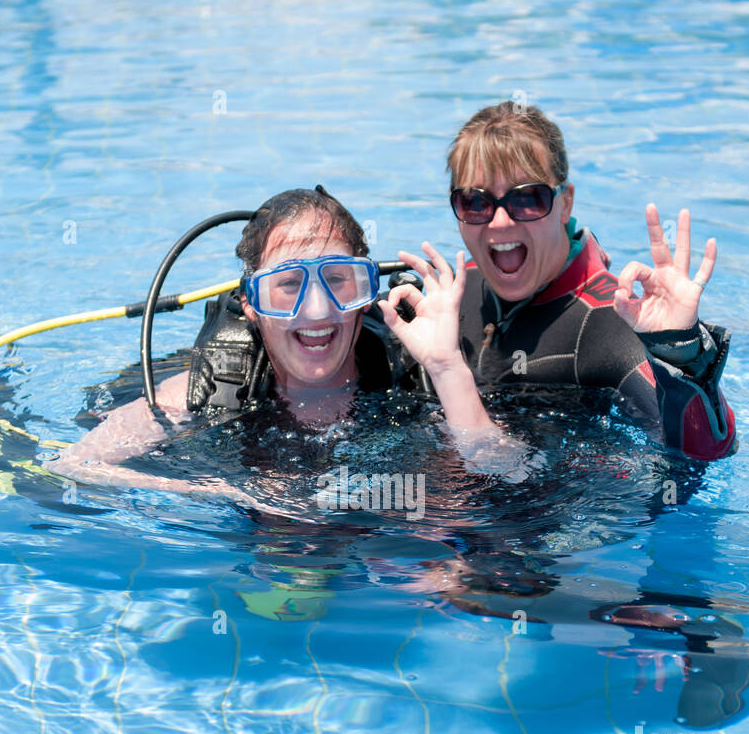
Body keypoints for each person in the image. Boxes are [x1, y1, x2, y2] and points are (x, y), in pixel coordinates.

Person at [48, 186, 516, 499]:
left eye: (338, 280)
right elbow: (75, 465)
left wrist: (446, 367)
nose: (316, 310)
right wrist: (225, 491)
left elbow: (508, 474)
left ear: (365, 295)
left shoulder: (414, 378)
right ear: (251, 305)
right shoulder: (202, 394)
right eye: (288, 285)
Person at [403, 101, 735, 460]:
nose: (499, 223)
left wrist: (679, 350)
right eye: (475, 202)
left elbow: (704, 455)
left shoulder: (609, 323)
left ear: (565, 204)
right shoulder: (452, 296)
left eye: (528, 198)